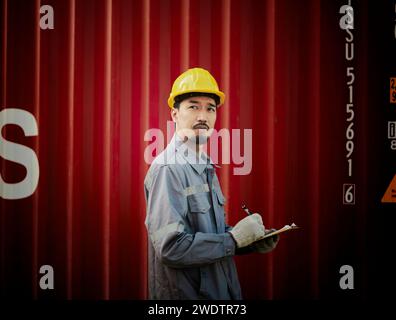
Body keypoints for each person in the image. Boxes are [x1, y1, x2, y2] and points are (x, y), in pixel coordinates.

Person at [144, 67, 279, 300]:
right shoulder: (169, 169)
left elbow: (208, 235)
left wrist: (248, 241)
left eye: (210, 108)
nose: (203, 117)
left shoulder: (204, 166)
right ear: (174, 114)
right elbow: (171, 248)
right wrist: (233, 240)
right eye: (193, 106)